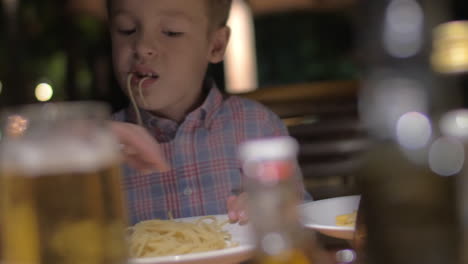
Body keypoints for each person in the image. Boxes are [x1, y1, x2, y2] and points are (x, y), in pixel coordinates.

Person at [106, 0, 310, 225]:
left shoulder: (258, 126)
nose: (142, 46)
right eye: (126, 30)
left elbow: (301, 219)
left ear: (216, 45)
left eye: (171, 32)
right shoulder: (101, 146)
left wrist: (272, 209)